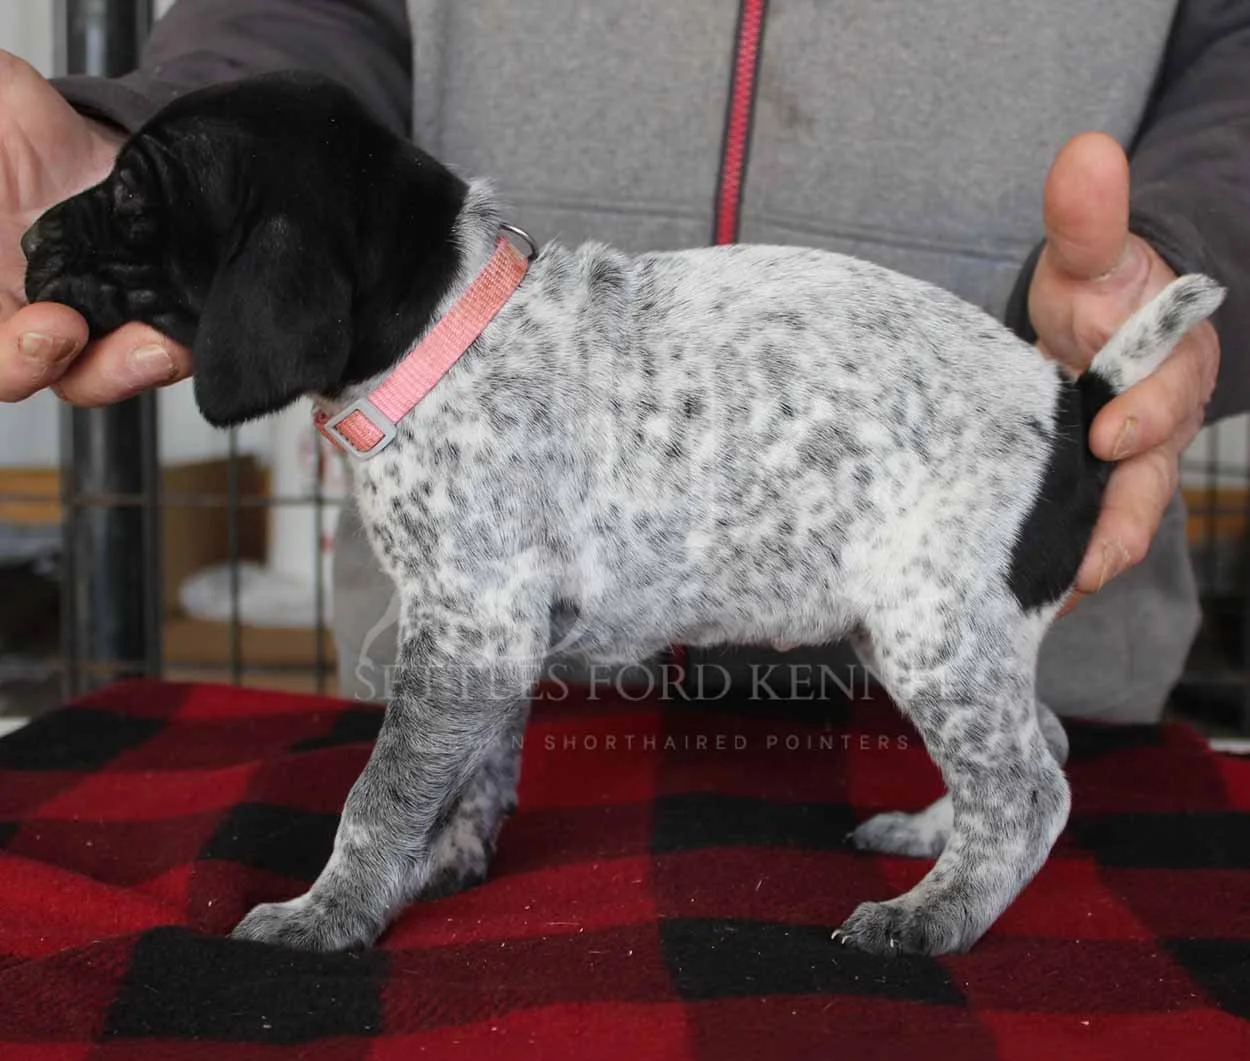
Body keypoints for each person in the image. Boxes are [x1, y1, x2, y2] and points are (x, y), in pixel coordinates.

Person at [1, 1, 1247, 721]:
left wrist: (1183, 245)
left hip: (1014, 628)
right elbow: (313, 5)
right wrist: (157, 175)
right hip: (481, 678)